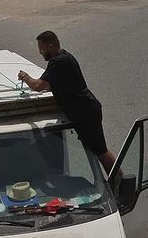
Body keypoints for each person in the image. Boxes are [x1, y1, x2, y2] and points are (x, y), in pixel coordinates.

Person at [17, 31, 116, 171]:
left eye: (41, 48)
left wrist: (25, 76)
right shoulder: (65, 57)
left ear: (50, 46)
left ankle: (121, 182)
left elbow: (37, 86)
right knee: (98, 150)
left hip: (85, 113)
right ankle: (118, 180)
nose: (40, 51)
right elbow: (58, 83)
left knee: (101, 152)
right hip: (87, 110)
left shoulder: (58, 62)